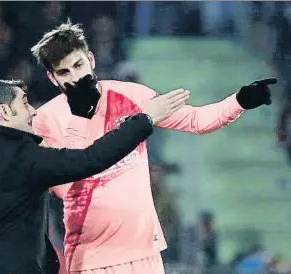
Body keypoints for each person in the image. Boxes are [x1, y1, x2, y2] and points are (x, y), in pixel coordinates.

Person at [30, 21, 277, 274]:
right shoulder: (45, 120)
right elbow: (63, 187)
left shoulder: (131, 96)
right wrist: (79, 119)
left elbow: (195, 120)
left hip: (144, 252)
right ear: (52, 78)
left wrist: (239, 101)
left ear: (91, 60)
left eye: (78, 65)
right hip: (91, 258)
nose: (75, 77)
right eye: (64, 73)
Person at [0, 79, 188, 274]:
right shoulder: (24, 157)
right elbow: (90, 159)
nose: (33, 111)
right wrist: (144, 120)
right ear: (5, 112)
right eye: (24, 103)